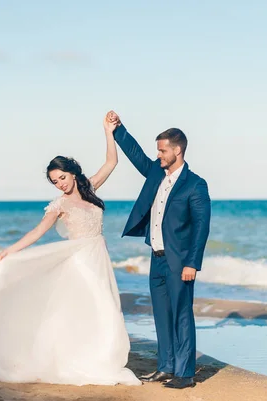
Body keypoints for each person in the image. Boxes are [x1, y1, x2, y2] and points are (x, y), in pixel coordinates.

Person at [0, 116, 141, 386]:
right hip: (79, 261)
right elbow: (37, 232)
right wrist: (11, 250)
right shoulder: (59, 204)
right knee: (97, 305)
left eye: (62, 177)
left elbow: (112, 162)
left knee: (100, 308)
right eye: (55, 181)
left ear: (73, 172)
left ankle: (96, 358)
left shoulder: (90, 187)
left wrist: (108, 131)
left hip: (98, 257)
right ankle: (86, 360)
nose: (60, 184)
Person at [107, 110, 211, 389]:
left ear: (177, 150)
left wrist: (193, 263)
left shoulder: (196, 185)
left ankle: (185, 373)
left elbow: (201, 227)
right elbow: (137, 155)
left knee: (181, 315)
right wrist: (118, 129)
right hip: (157, 258)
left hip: (180, 262)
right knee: (162, 315)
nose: (159, 155)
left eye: (163, 150)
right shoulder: (156, 172)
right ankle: (165, 367)